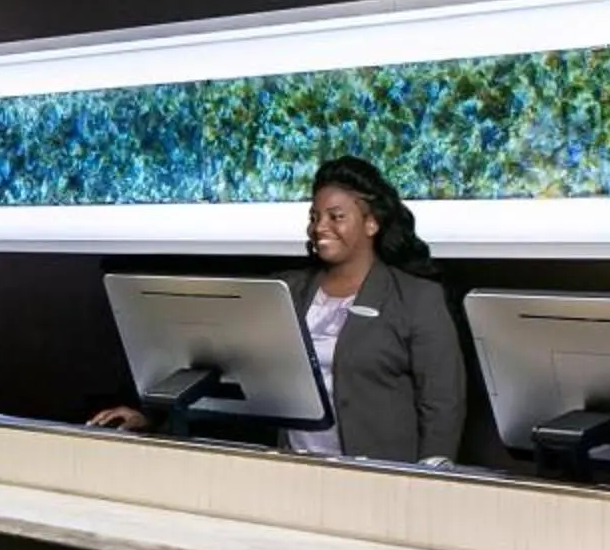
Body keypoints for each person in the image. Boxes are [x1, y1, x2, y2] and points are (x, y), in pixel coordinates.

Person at [89, 155, 466, 464]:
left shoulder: (416, 297)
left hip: (381, 482)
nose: (321, 227)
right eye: (315, 216)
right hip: (292, 472)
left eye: (336, 217)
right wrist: (151, 415)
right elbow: (219, 366)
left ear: (371, 223)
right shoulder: (284, 290)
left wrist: (431, 481)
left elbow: (443, 403)